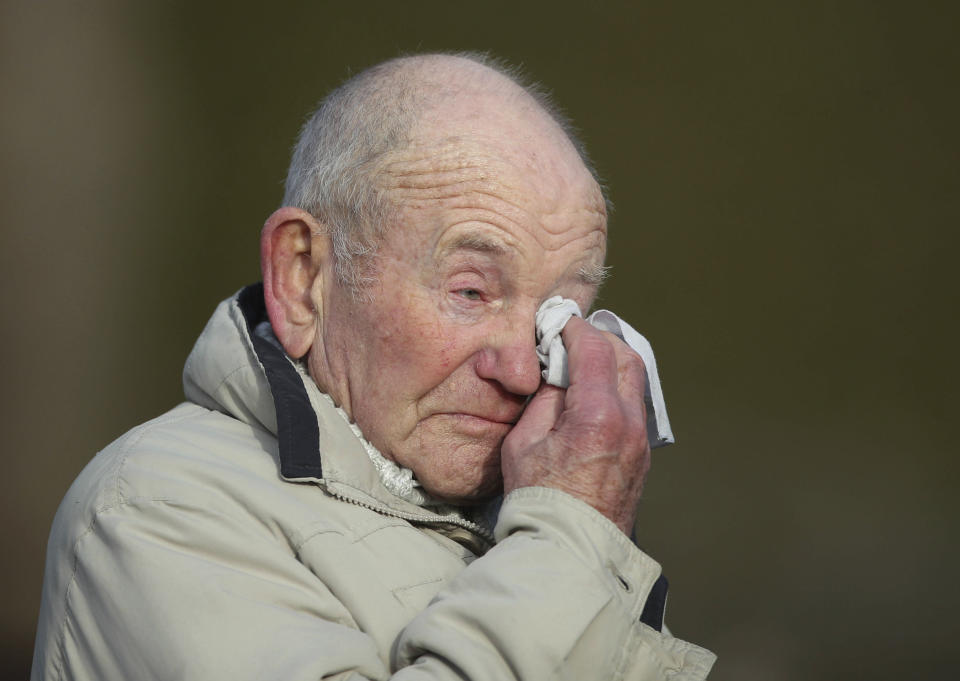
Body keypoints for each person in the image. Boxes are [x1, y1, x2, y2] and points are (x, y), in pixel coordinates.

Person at [31, 53, 716, 680]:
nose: (523, 370)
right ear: (303, 276)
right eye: (470, 291)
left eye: (558, 320)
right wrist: (571, 535)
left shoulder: (515, 513)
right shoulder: (154, 510)